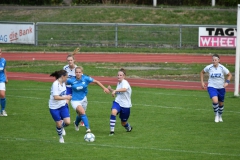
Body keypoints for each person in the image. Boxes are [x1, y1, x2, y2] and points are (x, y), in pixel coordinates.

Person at [67, 66, 109, 133]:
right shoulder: (71, 80)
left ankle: (76, 123)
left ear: (82, 73)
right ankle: (88, 129)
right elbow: (62, 83)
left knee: (80, 114)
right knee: (82, 112)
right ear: (75, 73)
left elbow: (96, 81)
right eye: (76, 72)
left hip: (83, 99)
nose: (78, 73)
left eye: (79, 72)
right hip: (75, 100)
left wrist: (104, 88)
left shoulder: (86, 78)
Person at [200, 54, 232, 123]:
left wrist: (227, 82)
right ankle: (216, 115)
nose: (214, 61)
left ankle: (220, 115)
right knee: (215, 101)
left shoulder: (222, 68)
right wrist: (202, 82)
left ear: (219, 60)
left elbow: (229, 75)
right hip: (212, 87)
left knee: (221, 104)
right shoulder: (209, 67)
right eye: (213, 60)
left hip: (221, 88)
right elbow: (202, 72)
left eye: (215, 60)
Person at [107, 68, 133, 136]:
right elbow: (118, 92)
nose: (118, 76)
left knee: (123, 123)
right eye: (118, 75)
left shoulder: (125, 82)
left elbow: (124, 89)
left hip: (126, 105)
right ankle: (112, 132)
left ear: (124, 76)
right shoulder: (119, 83)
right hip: (118, 102)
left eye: (120, 75)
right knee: (113, 112)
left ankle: (128, 127)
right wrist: (111, 90)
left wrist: (115, 91)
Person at [49, 70, 72, 143]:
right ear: (62, 77)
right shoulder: (55, 84)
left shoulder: (63, 83)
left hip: (62, 105)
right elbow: (56, 97)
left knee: (68, 122)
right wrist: (66, 98)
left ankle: (61, 127)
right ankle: (60, 137)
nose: (67, 78)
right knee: (58, 124)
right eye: (66, 77)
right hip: (54, 107)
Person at [63, 48, 84, 126]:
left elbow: (80, 79)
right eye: (68, 60)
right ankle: (66, 117)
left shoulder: (77, 69)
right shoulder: (65, 68)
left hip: (75, 89)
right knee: (65, 103)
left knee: (78, 107)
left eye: (71, 60)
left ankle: (80, 120)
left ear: (74, 60)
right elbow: (63, 78)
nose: (69, 62)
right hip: (67, 88)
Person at [0, 48, 8, 117]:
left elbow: (4, 69)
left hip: (1, 79)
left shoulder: (3, 60)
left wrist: (6, 78)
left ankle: (2, 110)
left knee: (2, 95)